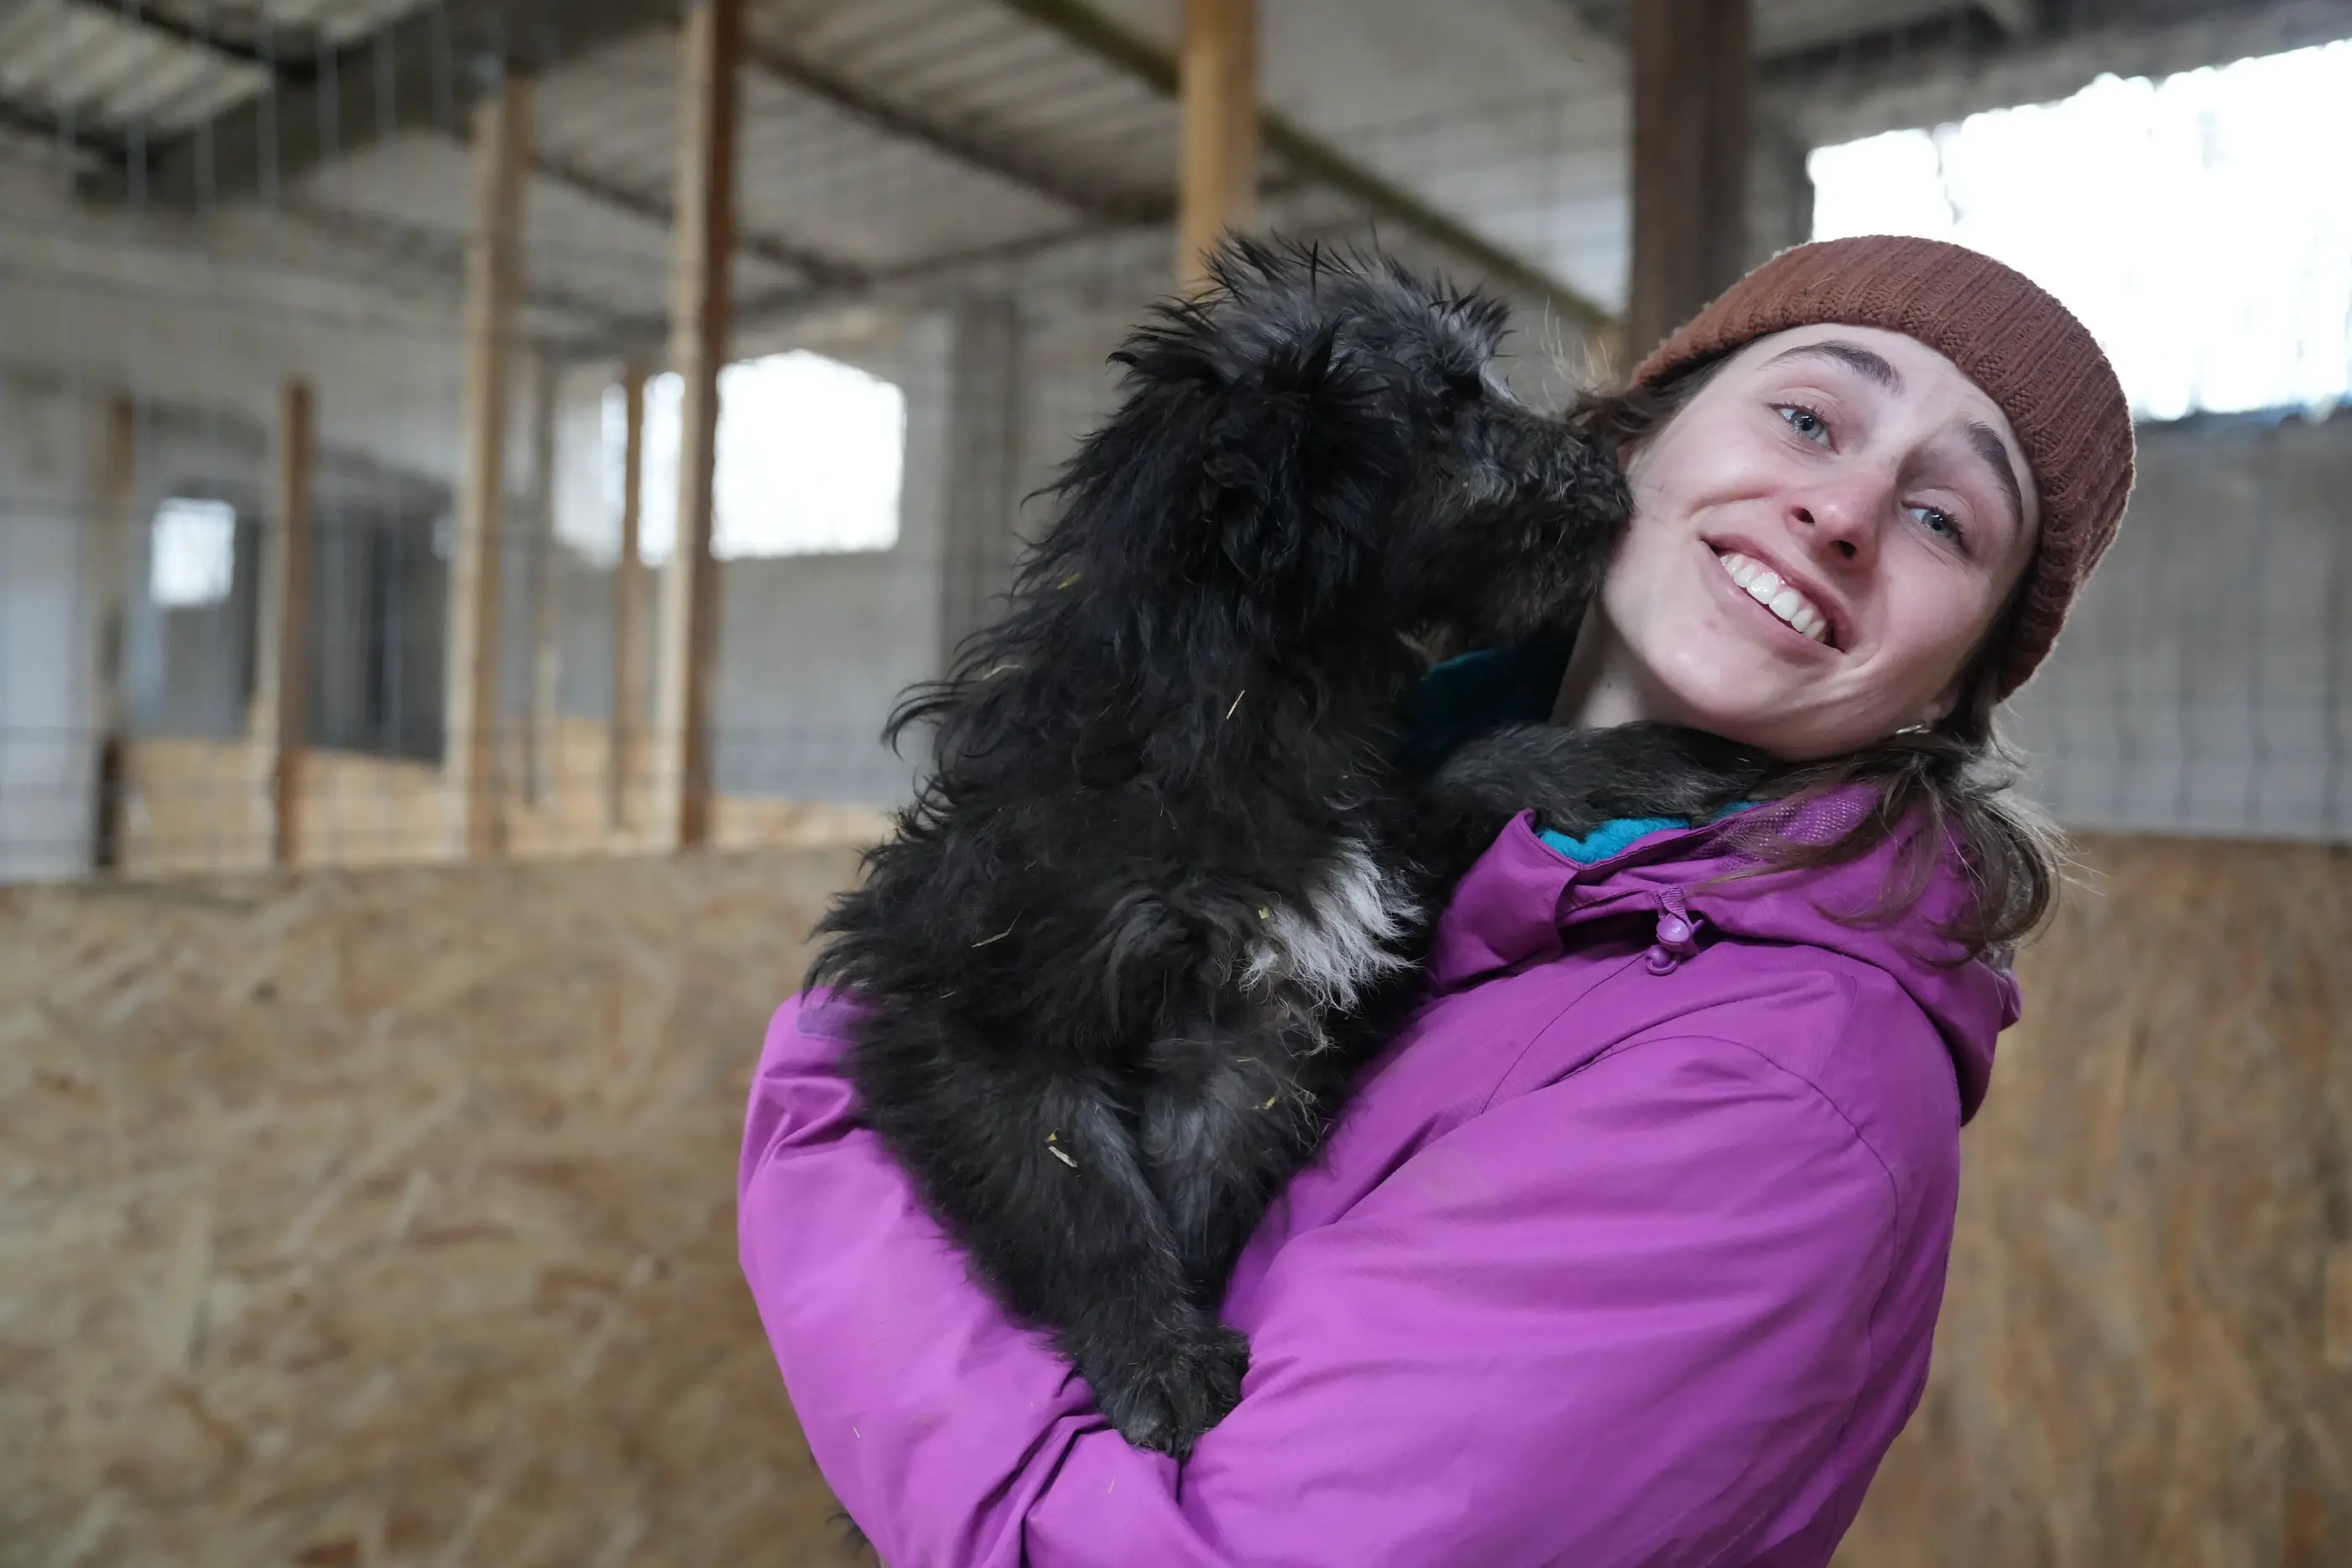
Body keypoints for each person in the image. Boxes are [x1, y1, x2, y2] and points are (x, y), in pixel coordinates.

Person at [735, 235, 2135, 1567]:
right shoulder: (1421, 792)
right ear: (1639, 436)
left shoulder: (1777, 1090)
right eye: (1809, 420)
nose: (1843, 512)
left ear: (1961, 683)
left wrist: (817, 1104)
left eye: (1944, 519)